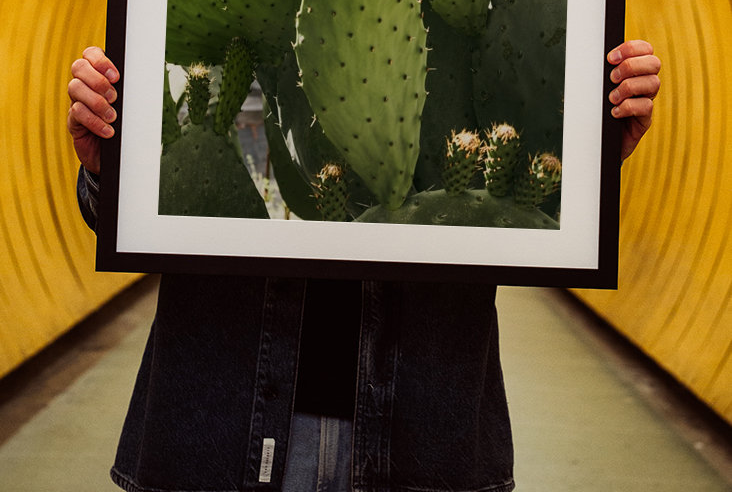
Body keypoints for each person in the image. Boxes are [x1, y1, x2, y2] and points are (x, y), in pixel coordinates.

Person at [68, 40, 661, 492]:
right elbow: (149, 210)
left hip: (421, 432)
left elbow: (509, 196)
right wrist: (107, 169)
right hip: (223, 423)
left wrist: (588, 160)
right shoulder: (241, 54)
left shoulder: (462, 41)